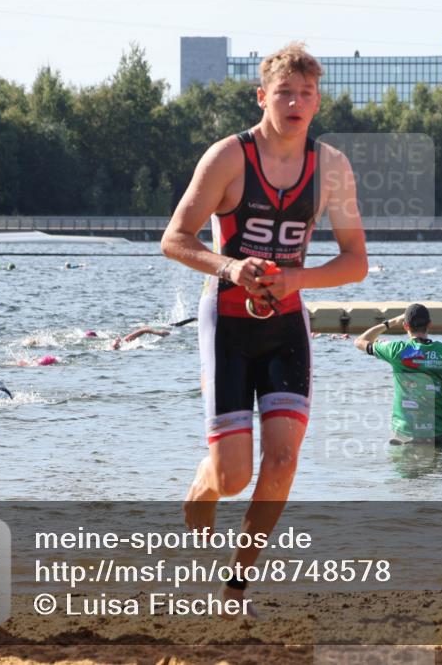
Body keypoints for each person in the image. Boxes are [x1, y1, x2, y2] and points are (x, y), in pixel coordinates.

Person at [160, 42, 367, 608]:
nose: (296, 103)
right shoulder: (228, 158)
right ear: (262, 97)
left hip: (285, 325)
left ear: (317, 102)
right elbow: (174, 240)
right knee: (233, 477)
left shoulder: (332, 169)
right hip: (226, 321)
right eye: (284, 93)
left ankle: (236, 581)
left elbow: (356, 262)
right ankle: (205, 481)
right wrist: (230, 265)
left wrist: (297, 279)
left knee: (282, 461)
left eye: (306, 94)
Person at [353, 304, 442, 447]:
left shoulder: (395, 350)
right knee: (436, 467)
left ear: (405, 326)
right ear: (429, 324)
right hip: (437, 433)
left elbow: (360, 341)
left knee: (404, 467)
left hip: (404, 432)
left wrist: (391, 323)